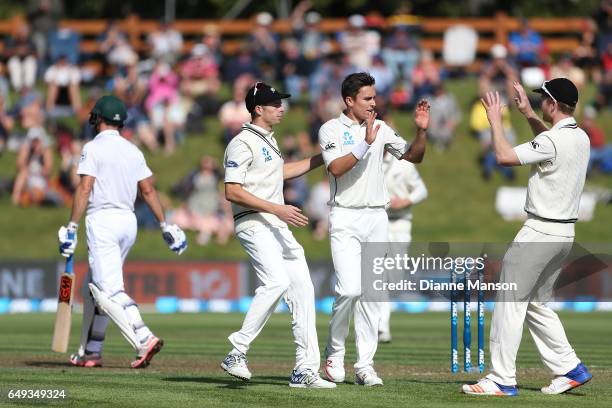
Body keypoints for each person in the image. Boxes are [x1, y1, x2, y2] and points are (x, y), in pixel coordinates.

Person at [463, 78, 592, 396]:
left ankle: (501, 378)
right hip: (563, 234)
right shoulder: (581, 137)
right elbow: (550, 145)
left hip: (539, 231)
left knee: (508, 300)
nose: (539, 105)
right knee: (534, 302)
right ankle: (569, 367)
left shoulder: (553, 140)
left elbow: (505, 156)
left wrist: (495, 122)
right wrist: (527, 114)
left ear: (551, 103)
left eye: (541, 100)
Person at [57, 95, 187, 369]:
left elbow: (84, 188)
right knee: (93, 288)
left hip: (102, 219)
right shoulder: (133, 150)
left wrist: (71, 227)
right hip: (128, 222)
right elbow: (148, 190)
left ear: (98, 118)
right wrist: (165, 224)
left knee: (108, 290)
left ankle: (144, 337)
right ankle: (91, 351)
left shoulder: (92, 148)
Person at [220, 82, 335, 389]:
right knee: (277, 281)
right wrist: (277, 208)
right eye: (275, 104)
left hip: (275, 223)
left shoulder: (268, 141)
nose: (281, 108)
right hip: (254, 221)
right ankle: (237, 350)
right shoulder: (242, 142)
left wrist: (323, 158)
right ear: (259, 109)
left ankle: (305, 370)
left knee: (303, 289)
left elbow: (279, 172)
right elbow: (232, 191)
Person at [319, 72, 429, 386]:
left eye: (374, 97)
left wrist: (421, 133)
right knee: (349, 289)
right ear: (349, 100)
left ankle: (365, 364)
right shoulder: (331, 129)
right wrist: (365, 144)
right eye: (367, 98)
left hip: (377, 217)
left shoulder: (381, 127)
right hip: (345, 217)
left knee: (372, 293)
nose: (373, 103)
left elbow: (413, 156)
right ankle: (334, 353)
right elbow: (336, 168)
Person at [378, 150, 427, 343]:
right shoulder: (365, 160)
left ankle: (380, 323)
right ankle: (381, 326)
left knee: (393, 277)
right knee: (377, 274)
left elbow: (422, 190)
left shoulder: (403, 163)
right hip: (376, 222)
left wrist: (405, 201)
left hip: (401, 223)